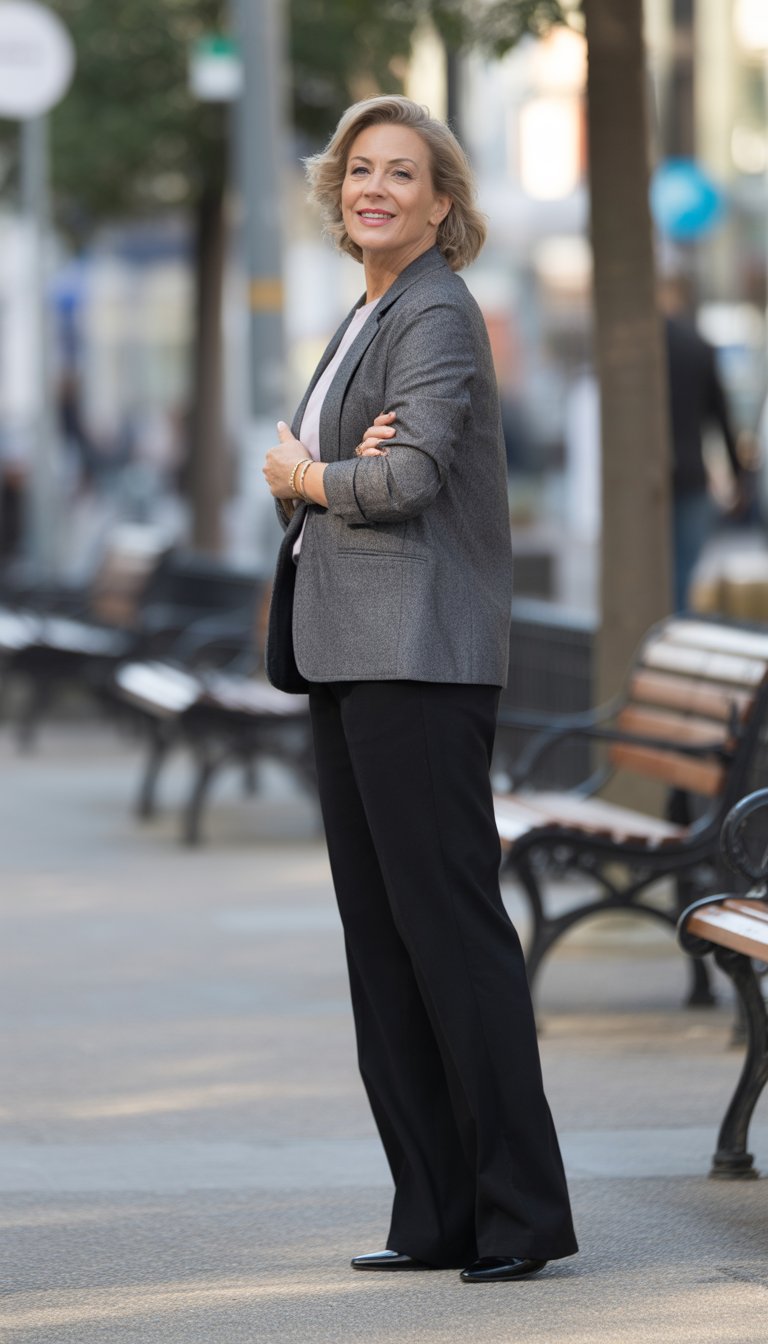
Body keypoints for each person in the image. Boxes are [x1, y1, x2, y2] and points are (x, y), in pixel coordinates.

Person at [262, 95, 577, 1284]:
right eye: (358, 170)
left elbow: (402, 475)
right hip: (353, 652)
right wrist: (325, 472)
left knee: (449, 936)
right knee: (384, 943)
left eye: (401, 173)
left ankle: (521, 1217)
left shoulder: (437, 315)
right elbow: (354, 469)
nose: (373, 188)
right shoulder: (372, 308)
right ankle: (435, 1210)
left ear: (444, 203)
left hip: (419, 660)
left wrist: (310, 472)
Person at [659, 278, 746, 611]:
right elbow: (722, 417)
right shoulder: (698, 346)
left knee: (658, 574)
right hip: (692, 475)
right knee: (684, 576)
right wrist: (739, 477)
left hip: (648, 481)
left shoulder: (640, 352)